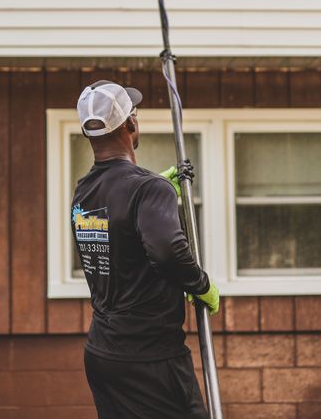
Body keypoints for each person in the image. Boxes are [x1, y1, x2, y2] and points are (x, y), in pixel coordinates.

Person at [71, 80, 219, 419]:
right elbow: (167, 250)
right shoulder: (148, 189)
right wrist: (202, 285)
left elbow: (124, 248)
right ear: (131, 125)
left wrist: (156, 192)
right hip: (151, 358)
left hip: (103, 354)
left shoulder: (84, 192)